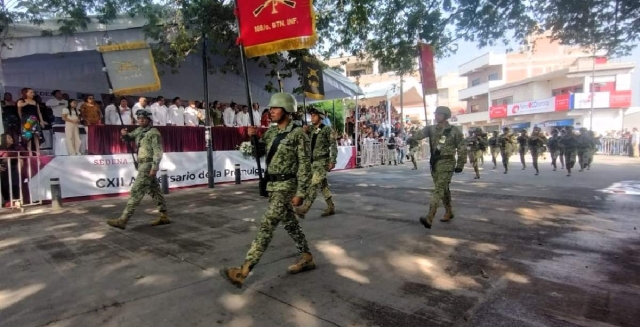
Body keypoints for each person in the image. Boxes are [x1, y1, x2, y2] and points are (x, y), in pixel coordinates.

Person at [220, 92, 314, 288]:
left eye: (275, 108)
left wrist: (301, 193)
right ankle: (307, 256)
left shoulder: (298, 135)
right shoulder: (271, 132)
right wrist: (252, 138)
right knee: (290, 223)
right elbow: (258, 152)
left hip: (287, 186)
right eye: (270, 108)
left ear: (288, 111)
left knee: (267, 225)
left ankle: (244, 270)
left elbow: (305, 166)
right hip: (271, 186)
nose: (271, 111)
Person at [107, 108, 170, 229]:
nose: (141, 120)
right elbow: (129, 137)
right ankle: (164, 216)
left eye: (143, 118)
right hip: (141, 164)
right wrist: (124, 135)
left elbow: (158, 151)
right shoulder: (139, 130)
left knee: (136, 191)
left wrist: (155, 167)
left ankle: (123, 220)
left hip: (148, 165)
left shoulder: (154, 132)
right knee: (155, 192)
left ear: (149, 120)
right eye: (139, 118)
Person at [408, 106, 465, 229]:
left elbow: (462, 148)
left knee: (438, 189)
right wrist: (412, 136)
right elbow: (418, 135)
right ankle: (449, 212)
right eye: (436, 114)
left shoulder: (454, 131)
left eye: (439, 114)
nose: (436, 116)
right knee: (443, 189)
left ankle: (429, 217)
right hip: (435, 163)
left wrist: (461, 163)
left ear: (445, 116)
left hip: (448, 162)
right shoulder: (431, 129)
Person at [294, 108, 337, 219]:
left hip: (322, 162)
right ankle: (331, 206)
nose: (312, 117)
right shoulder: (311, 129)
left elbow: (333, 145)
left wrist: (333, 160)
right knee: (323, 186)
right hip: (313, 162)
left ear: (320, 117)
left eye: (314, 115)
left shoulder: (327, 129)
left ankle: (305, 208)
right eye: (311, 115)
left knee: (313, 185)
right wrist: (304, 131)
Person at [17, 88, 47, 155]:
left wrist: (41, 121)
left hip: (34, 119)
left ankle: (38, 151)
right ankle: (29, 151)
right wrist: (21, 119)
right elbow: (19, 109)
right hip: (26, 119)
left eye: (33, 92)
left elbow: (39, 112)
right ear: (26, 93)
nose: (32, 94)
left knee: (36, 135)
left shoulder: (35, 102)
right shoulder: (21, 101)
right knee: (28, 136)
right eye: (31, 92)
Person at [0, 134, 23, 207]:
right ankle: (7, 200)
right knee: (4, 185)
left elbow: (22, 155)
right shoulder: (0, 148)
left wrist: (20, 161)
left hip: (13, 168)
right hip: (3, 169)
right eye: (9, 138)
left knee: (15, 184)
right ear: (4, 140)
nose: (12, 139)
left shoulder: (15, 147)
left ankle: (17, 199)